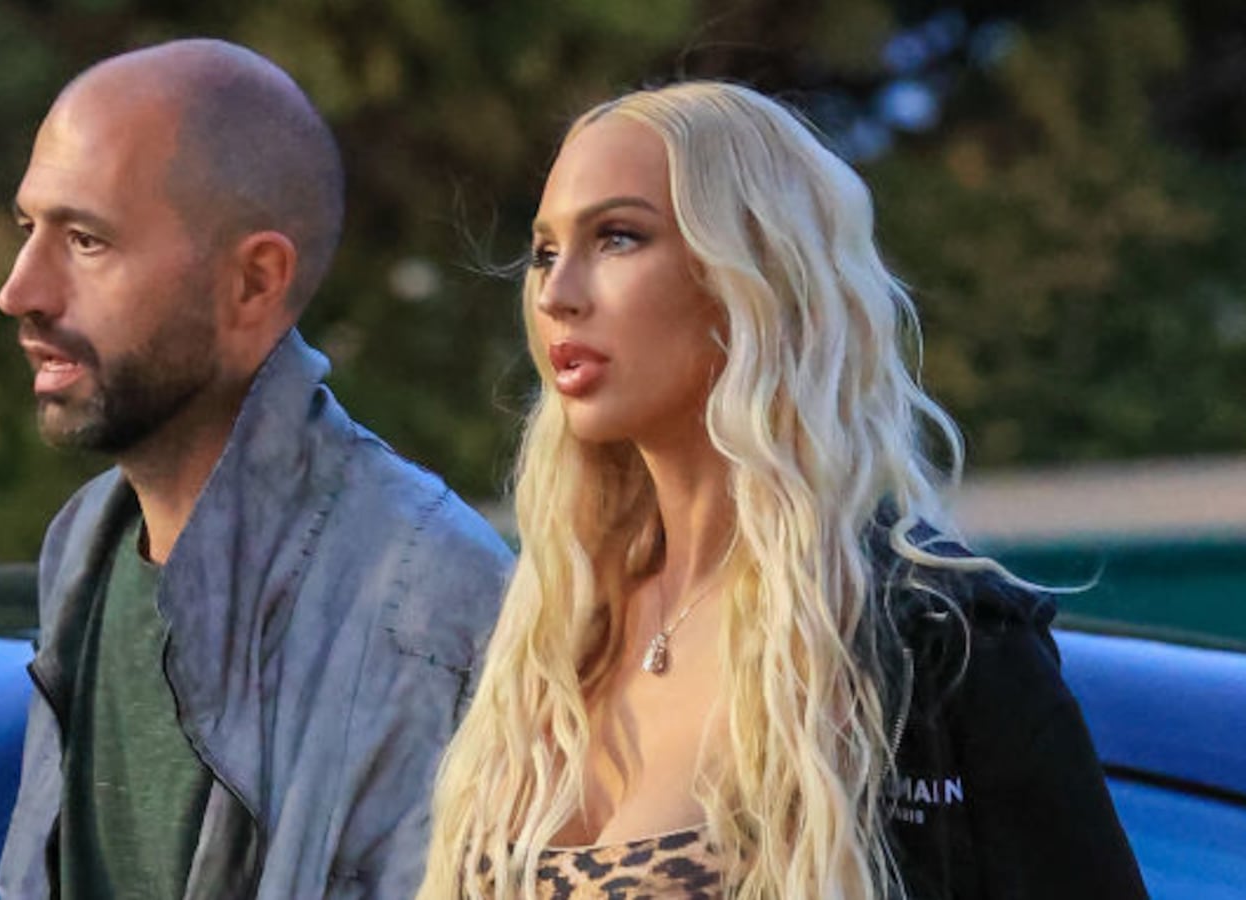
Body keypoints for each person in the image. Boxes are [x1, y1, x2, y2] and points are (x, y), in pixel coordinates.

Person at [419, 82, 1146, 899]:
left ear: (752, 273)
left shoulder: (928, 644)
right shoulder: (547, 629)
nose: (557, 294)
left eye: (617, 238)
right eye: (545, 251)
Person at [0, 39, 511, 899]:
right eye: (27, 229)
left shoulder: (429, 598)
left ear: (254, 281)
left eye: (85, 240)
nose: (21, 290)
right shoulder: (84, 544)